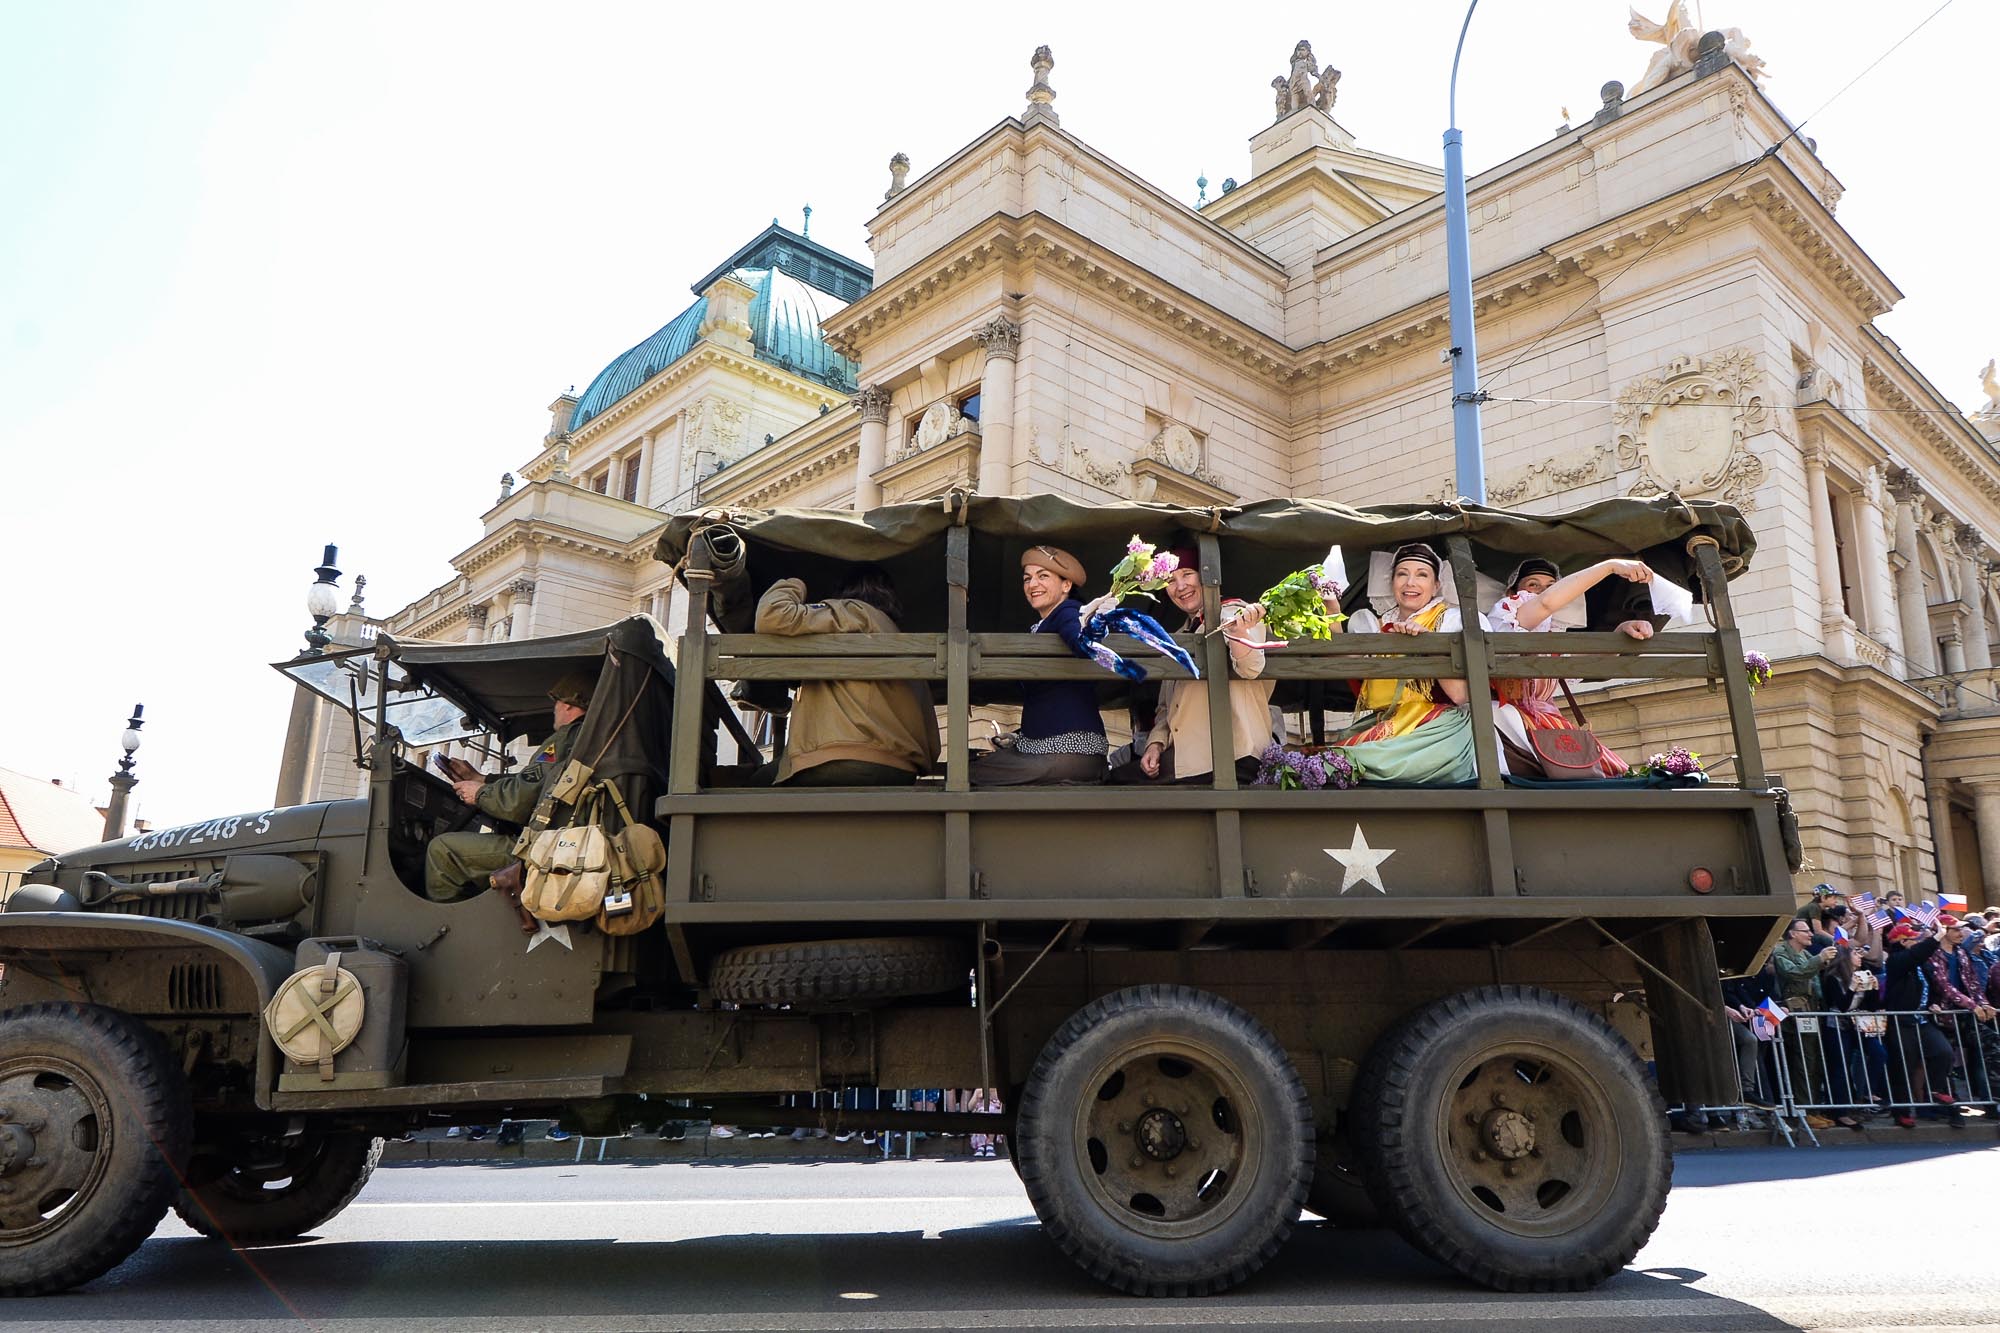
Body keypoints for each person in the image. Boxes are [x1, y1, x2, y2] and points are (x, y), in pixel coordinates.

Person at [752, 565, 940, 786]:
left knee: (750, 787)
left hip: (839, 760)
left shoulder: (853, 612)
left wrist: (797, 582)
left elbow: (772, 615)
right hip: (900, 770)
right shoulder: (902, 643)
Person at [424, 671, 593, 902]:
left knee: (442, 850)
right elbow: (538, 783)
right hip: (561, 842)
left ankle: (446, 929)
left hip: (544, 846)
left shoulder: (568, 737)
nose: (554, 708)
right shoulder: (586, 738)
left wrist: (479, 794)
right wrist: (482, 779)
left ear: (568, 705)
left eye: (556, 703)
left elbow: (521, 801)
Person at [1111, 548, 1274, 785]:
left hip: (1234, 754)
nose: (1180, 586)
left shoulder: (1234, 612)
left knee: (1118, 782)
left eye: (1187, 574)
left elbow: (1250, 668)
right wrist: (1155, 745)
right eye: (1170, 580)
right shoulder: (1177, 637)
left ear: (1205, 576)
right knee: (1119, 777)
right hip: (1191, 759)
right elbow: (1167, 707)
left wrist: (1239, 632)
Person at [1485, 557, 1651, 779]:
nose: (1542, 591)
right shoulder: (1504, 614)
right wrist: (1609, 566)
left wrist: (1620, 633)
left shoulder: (1552, 632)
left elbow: (1582, 662)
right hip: (1507, 717)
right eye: (1533, 585)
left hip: (1547, 719)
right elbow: (1545, 604)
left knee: (1610, 773)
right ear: (1512, 592)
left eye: (1550, 586)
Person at [1325, 542, 1477, 784]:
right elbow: (1346, 663)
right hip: (1386, 721)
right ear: (1392, 582)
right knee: (1334, 760)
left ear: (1436, 585)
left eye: (1422, 575)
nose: (1410, 583)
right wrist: (1331, 610)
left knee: (1362, 764)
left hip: (1435, 729)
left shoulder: (1449, 620)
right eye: (1402, 574)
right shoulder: (1375, 624)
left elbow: (1459, 695)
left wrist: (1426, 645)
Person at [972, 547, 1107, 786]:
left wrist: (1092, 625)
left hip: (1068, 753)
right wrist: (1017, 739)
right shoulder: (1045, 624)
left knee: (967, 773)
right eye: (1027, 578)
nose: (1032, 584)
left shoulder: (1067, 611)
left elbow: (1079, 641)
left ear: (1066, 585)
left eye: (1043, 576)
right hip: (1061, 752)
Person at [1880, 919, 1960, 1128]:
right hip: (1901, 1021)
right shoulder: (1896, 961)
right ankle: (1902, 1112)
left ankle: (1935, 1088)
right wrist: (1937, 937)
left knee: (1943, 1052)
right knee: (1902, 1066)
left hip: (1922, 1019)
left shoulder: (1921, 966)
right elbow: (1916, 955)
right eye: (1914, 940)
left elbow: (1929, 988)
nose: (1918, 943)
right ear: (1903, 942)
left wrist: (1933, 1003)